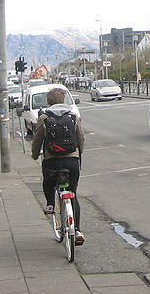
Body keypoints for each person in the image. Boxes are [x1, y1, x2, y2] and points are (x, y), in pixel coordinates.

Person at [31, 88, 85, 245]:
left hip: (52, 161)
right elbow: (81, 138)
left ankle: (49, 204)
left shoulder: (44, 118)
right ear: (63, 100)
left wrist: (35, 155)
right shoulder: (73, 116)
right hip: (72, 161)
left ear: (49, 102)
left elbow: (37, 140)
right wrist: (78, 154)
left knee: (48, 182)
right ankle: (77, 231)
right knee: (73, 193)